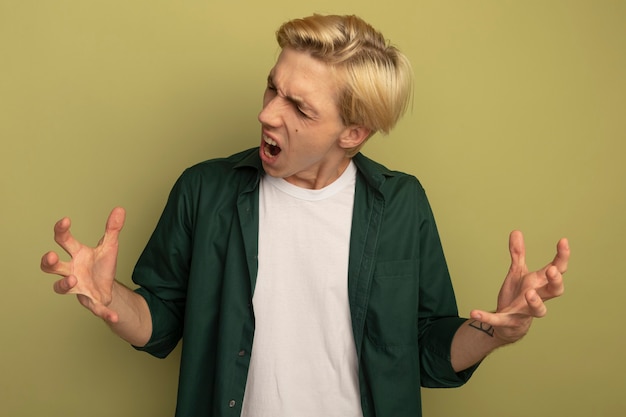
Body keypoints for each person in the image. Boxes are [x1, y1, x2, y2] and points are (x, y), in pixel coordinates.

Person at [40, 14, 569, 417]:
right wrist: (112, 300)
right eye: (273, 87)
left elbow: (425, 354)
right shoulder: (205, 189)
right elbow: (160, 323)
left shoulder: (401, 204)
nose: (267, 113)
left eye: (300, 107)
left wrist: (495, 333)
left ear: (353, 132)